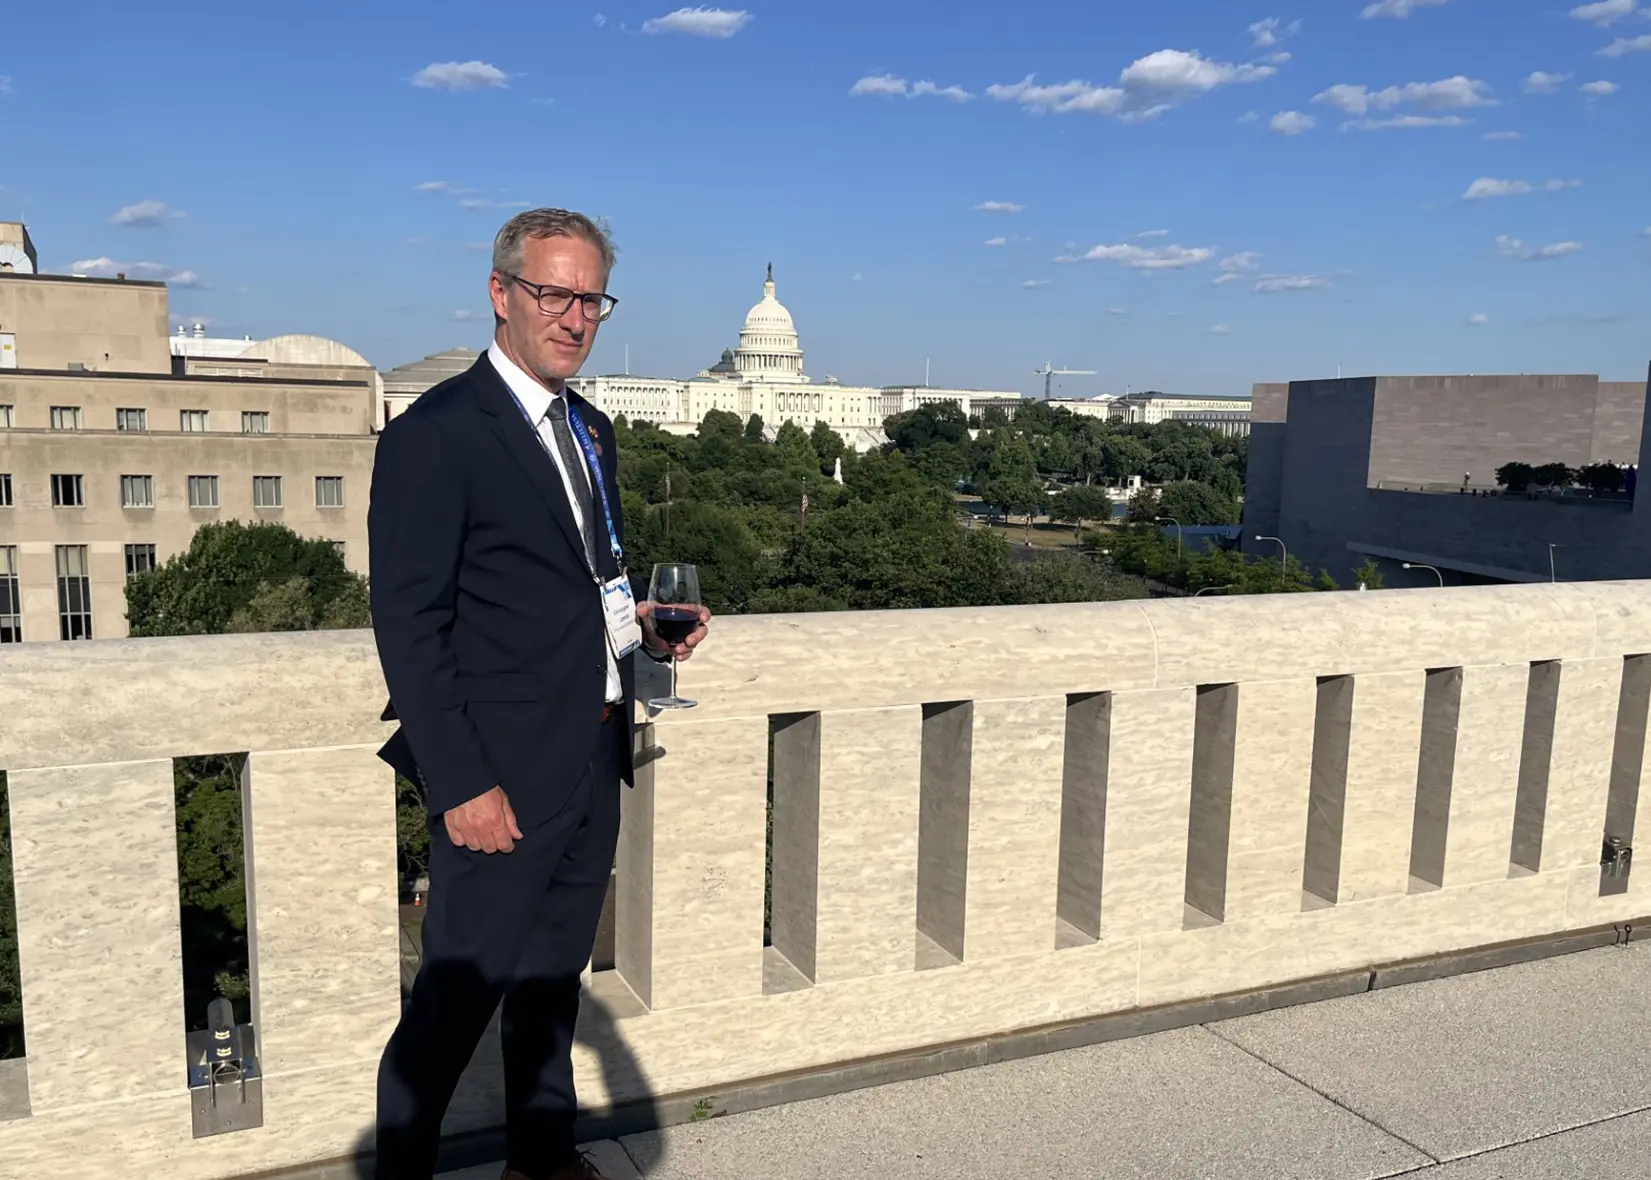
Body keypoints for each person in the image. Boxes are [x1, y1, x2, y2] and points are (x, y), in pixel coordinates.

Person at [368, 208, 710, 1180]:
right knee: (452, 1000)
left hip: (593, 748)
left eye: (589, 298)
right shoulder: (436, 435)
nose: (572, 317)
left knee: (552, 980)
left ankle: (541, 1157)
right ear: (501, 293)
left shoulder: (590, 428)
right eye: (551, 294)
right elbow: (409, 624)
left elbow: (581, 575)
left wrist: (641, 627)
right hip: (497, 771)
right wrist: (461, 781)